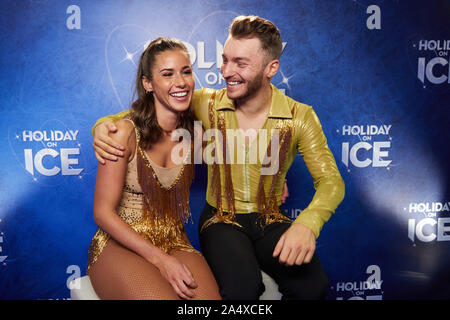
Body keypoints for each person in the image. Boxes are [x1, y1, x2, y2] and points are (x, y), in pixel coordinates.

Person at [93, 16, 345, 300]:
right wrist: (102, 126)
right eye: (225, 60)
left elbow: (331, 181)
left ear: (271, 68)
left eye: (240, 63)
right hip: (221, 220)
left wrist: (307, 223)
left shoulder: (301, 116)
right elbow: (146, 111)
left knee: (313, 285)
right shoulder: (205, 102)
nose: (226, 71)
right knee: (242, 289)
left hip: (270, 218)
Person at [87, 37, 221, 300]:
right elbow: (102, 213)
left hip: (174, 238)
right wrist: (161, 261)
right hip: (120, 242)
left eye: (186, 72)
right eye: (167, 74)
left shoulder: (196, 134)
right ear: (148, 83)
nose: (180, 82)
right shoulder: (123, 132)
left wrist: (272, 178)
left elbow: (234, 157)